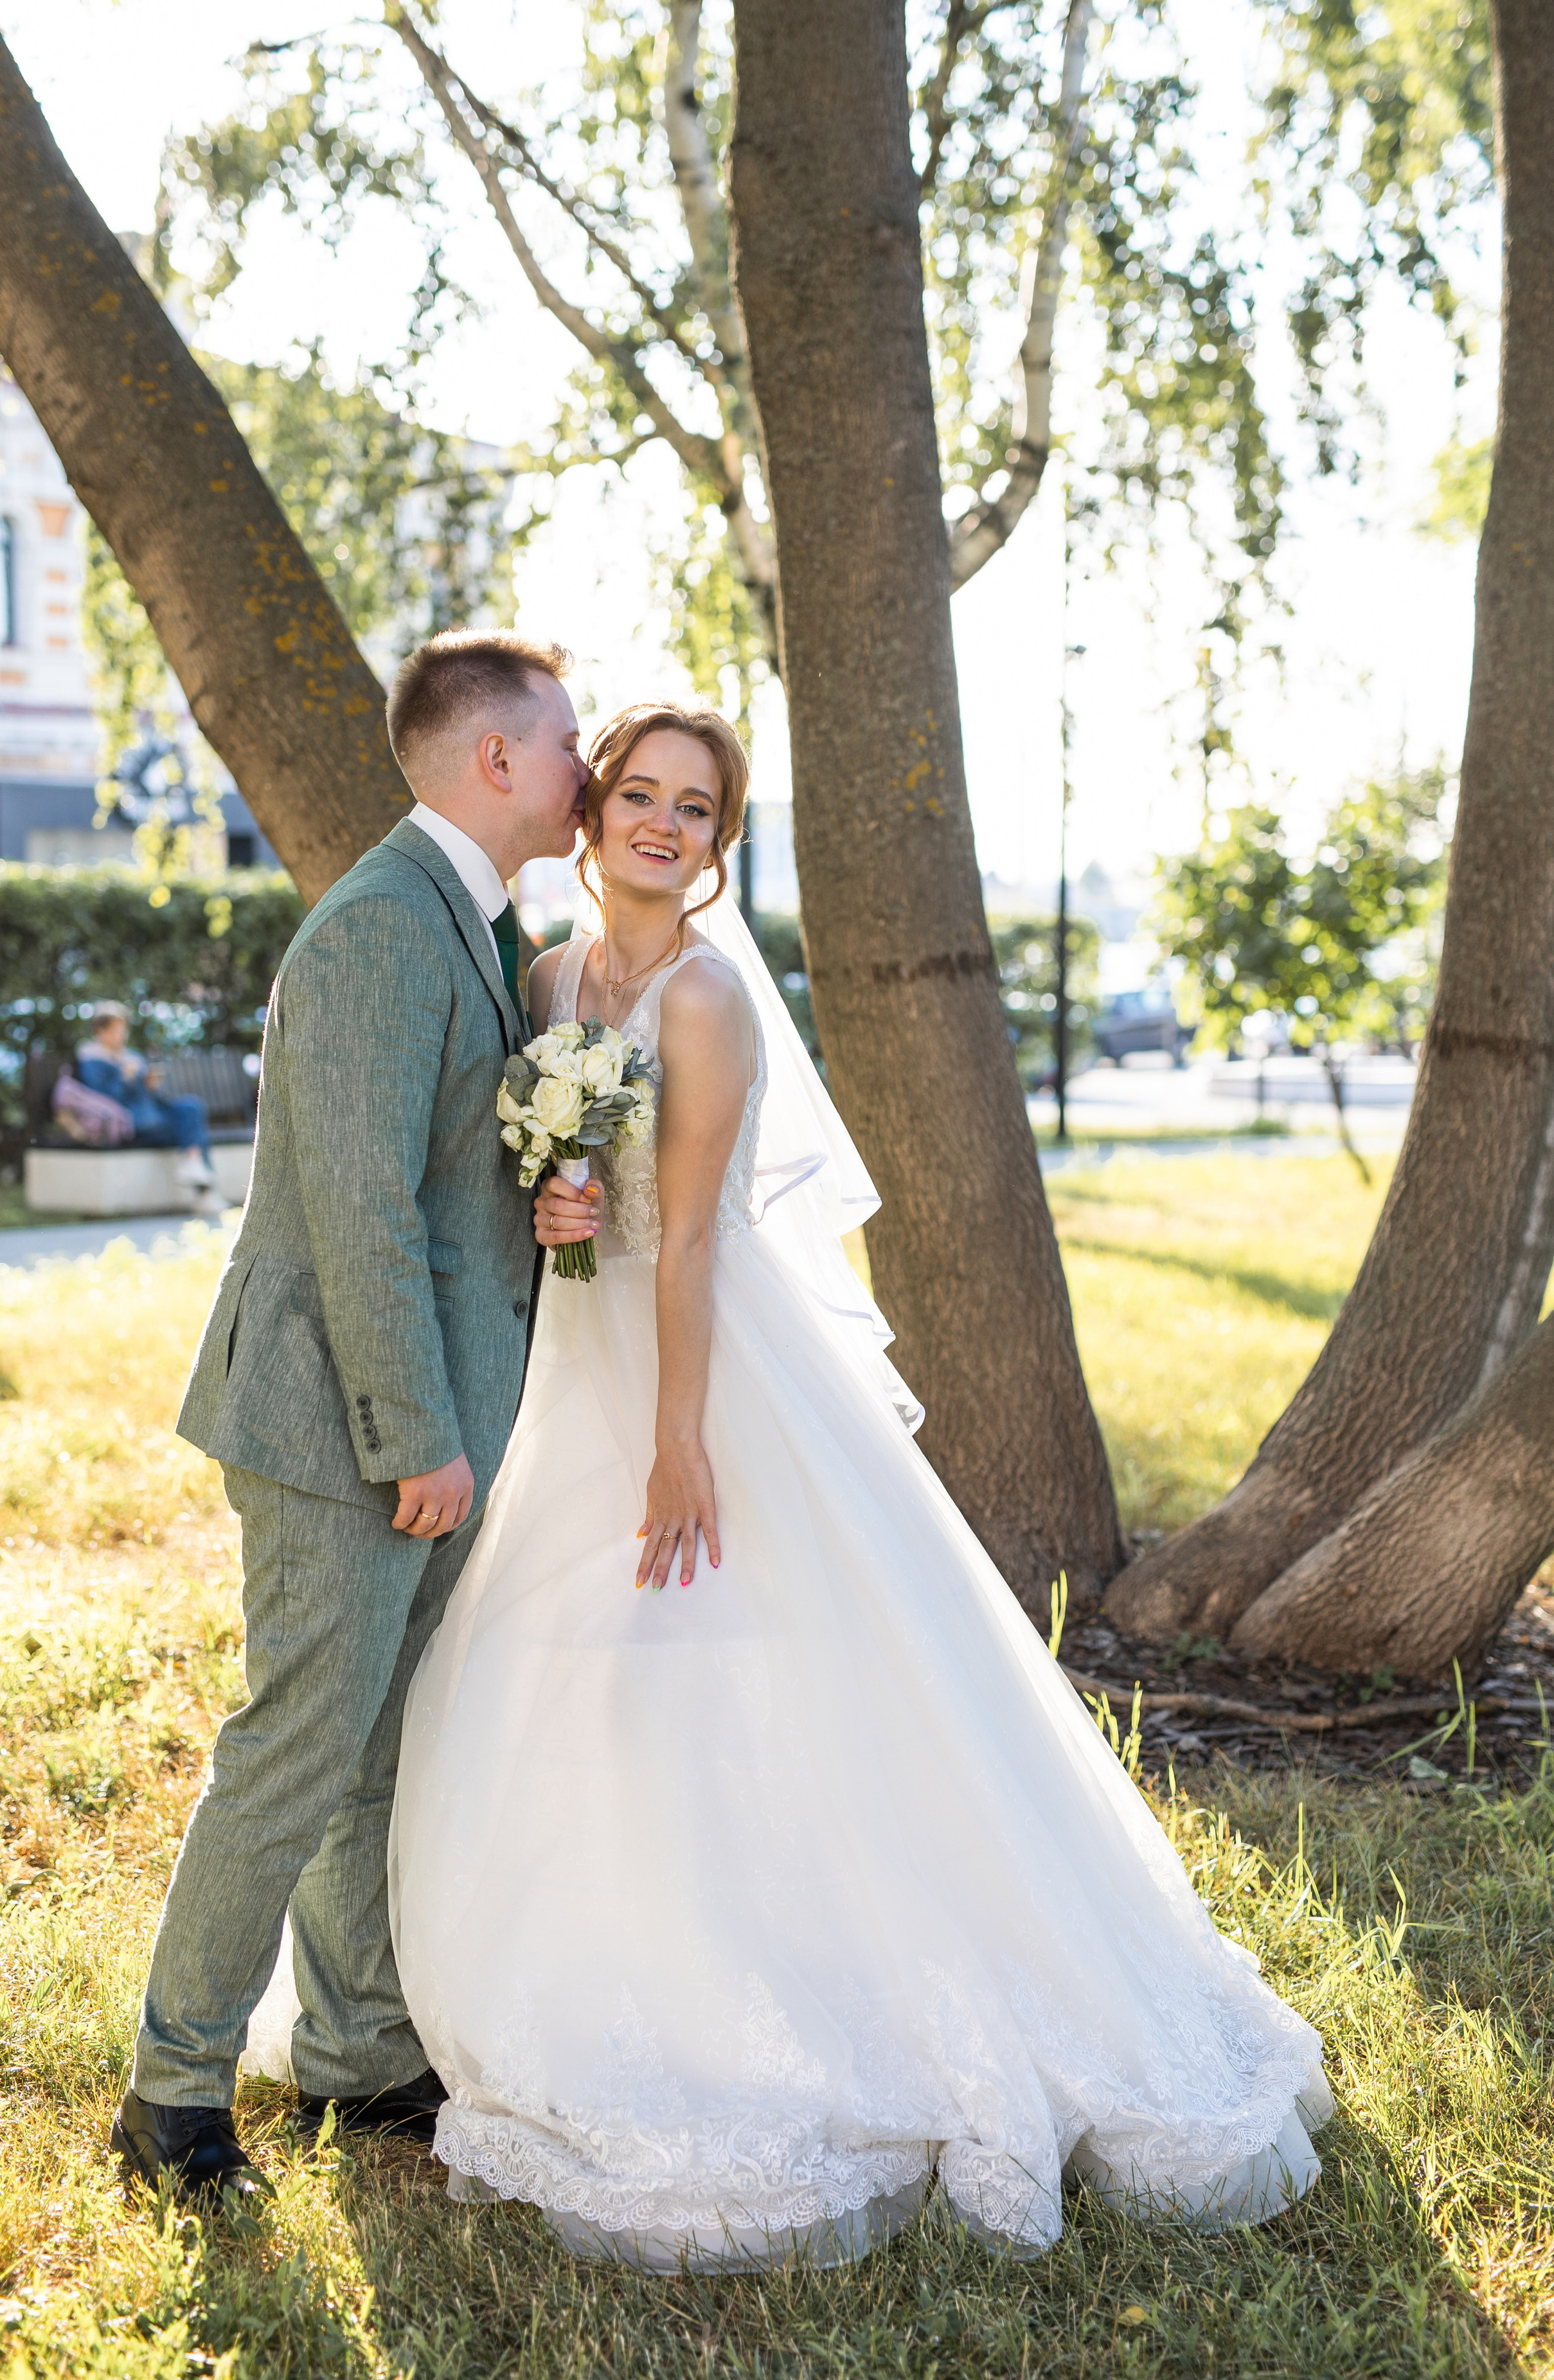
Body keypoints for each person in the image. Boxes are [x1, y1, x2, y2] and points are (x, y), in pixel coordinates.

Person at [366, 700, 1332, 2269]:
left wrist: (680, 1442)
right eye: (640, 796)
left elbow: (685, 1240)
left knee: (718, 1649)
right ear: (594, 807)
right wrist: (557, 1205)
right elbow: (585, 1210)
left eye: (696, 809)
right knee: (565, 1668)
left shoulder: (702, 1006)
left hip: (708, 1368)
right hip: (585, 1356)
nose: (663, 826)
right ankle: (615, 1962)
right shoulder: (548, 981)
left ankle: (793, 1981)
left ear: (718, 842)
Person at [109, 631, 589, 2199]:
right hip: (341, 1422)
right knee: (295, 1748)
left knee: (372, 1749)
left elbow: (447, 1184)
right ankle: (173, 2092)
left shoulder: (465, 920)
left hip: (411, 1413)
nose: (585, 773)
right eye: (568, 743)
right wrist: (414, 1435)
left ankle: (355, 2056)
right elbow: (360, 1209)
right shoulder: (384, 928)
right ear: (496, 759)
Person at [76, 1002, 220, 1212]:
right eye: (116, 1030)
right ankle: (205, 1192)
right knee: (192, 1133)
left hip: (153, 1114)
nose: (121, 1035)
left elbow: (147, 1093)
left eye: (123, 1029)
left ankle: (194, 1164)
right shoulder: (92, 1061)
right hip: (133, 1122)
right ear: (101, 1031)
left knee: (192, 1108)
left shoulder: (130, 1055)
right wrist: (125, 1079)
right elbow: (102, 1101)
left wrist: (149, 1083)